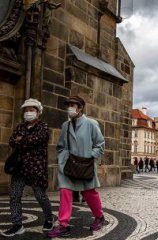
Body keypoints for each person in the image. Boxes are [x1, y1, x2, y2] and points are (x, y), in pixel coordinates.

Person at [48, 96, 105, 238]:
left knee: (89, 193)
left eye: (73, 105)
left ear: (81, 108)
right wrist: (62, 159)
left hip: (85, 165)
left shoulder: (91, 124)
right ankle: (63, 225)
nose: (70, 108)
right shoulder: (65, 125)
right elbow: (60, 146)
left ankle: (99, 217)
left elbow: (100, 145)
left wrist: (89, 156)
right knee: (65, 192)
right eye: (68, 105)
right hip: (68, 165)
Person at [1, 99, 53, 237]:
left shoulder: (44, 127)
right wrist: (22, 140)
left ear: (38, 112)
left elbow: (36, 140)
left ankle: (49, 218)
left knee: (40, 195)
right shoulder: (20, 126)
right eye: (26, 110)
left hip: (36, 168)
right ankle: (17, 225)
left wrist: (21, 140)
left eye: (32, 110)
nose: (28, 112)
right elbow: (12, 141)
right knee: (14, 196)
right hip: (19, 167)